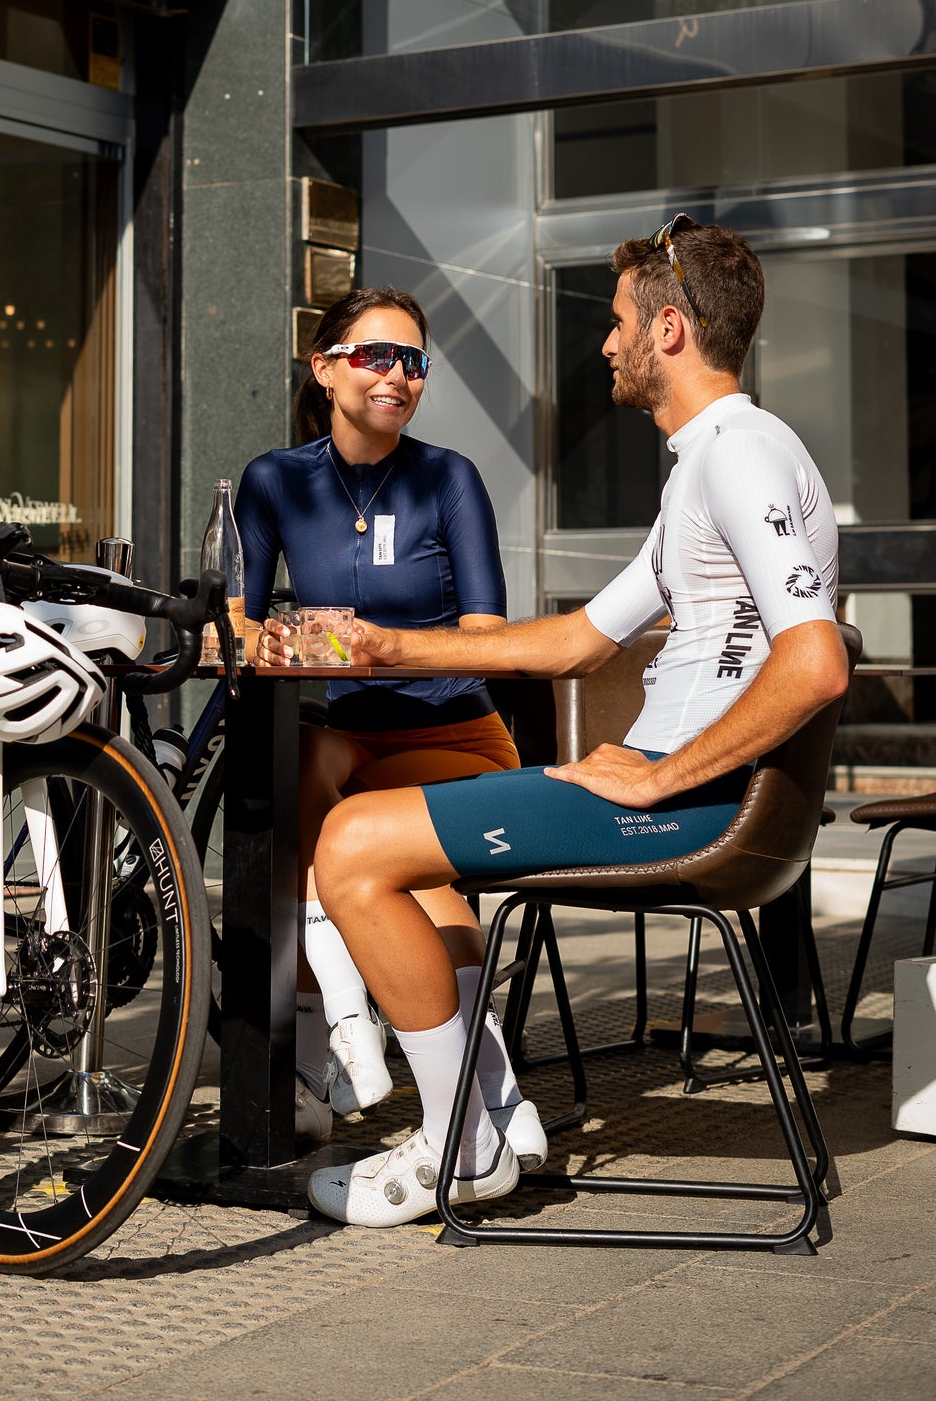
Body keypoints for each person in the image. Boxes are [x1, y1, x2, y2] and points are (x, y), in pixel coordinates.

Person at [307, 218, 849, 1226]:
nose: (606, 343)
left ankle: (459, 1143)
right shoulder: (709, 459)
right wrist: (392, 645)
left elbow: (815, 661)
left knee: (348, 842)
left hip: (686, 805)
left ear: (672, 329)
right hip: (678, 788)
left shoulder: (740, 455)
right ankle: (488, 1108)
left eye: (618, 323)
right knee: (399, 843)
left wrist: (661, 773)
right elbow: (574, 642)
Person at [236, 287, 545, 1165]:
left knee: (383, 858)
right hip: (352, 738)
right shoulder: (273, 481)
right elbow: (243, 618)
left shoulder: (447, 476)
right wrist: (274, 639)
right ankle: (341, 1012)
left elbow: (487, 639)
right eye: (376, 355)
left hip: (455, 737)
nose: (396, 376)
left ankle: (484, 1083)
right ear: (325, 367)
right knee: (290, 763)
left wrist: (380, 649)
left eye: (412, 362)